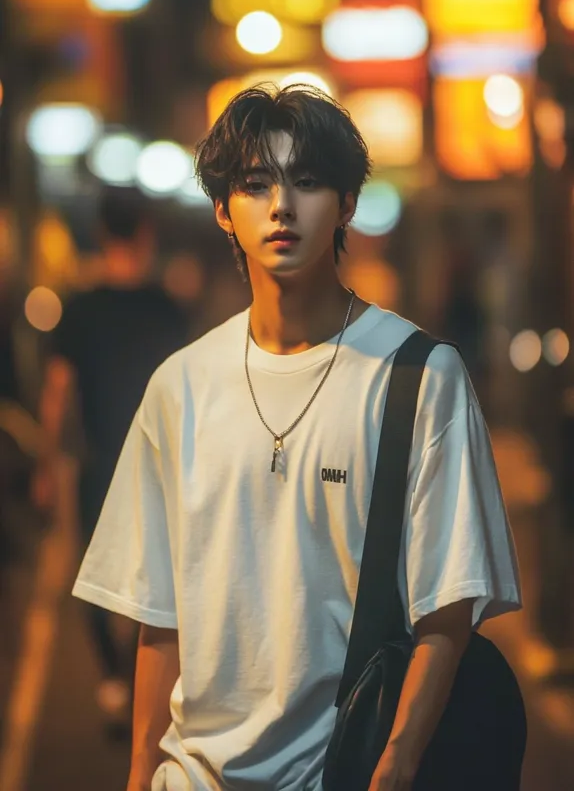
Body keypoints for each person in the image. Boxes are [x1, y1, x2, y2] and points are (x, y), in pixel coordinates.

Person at [72, 86, 521, 790]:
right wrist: (138, 777)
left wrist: (397, 761)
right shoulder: (181, 386)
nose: (282, 205)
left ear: (345, 204)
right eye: (255, 185)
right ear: (224, 209)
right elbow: (160, 618)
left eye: (307, 182)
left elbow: (449, 606)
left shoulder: (420, 378)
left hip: (344, 770)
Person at [38, 187, 188, 733]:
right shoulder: (166, 308)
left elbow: (58, 393)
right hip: (161, 465)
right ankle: (135, 674)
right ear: (145, 232)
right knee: (157, 576)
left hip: (101, 462)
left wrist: (48, 464)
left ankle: (111, 677)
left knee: (93, 572)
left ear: (102, 233)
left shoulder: (79, 309)